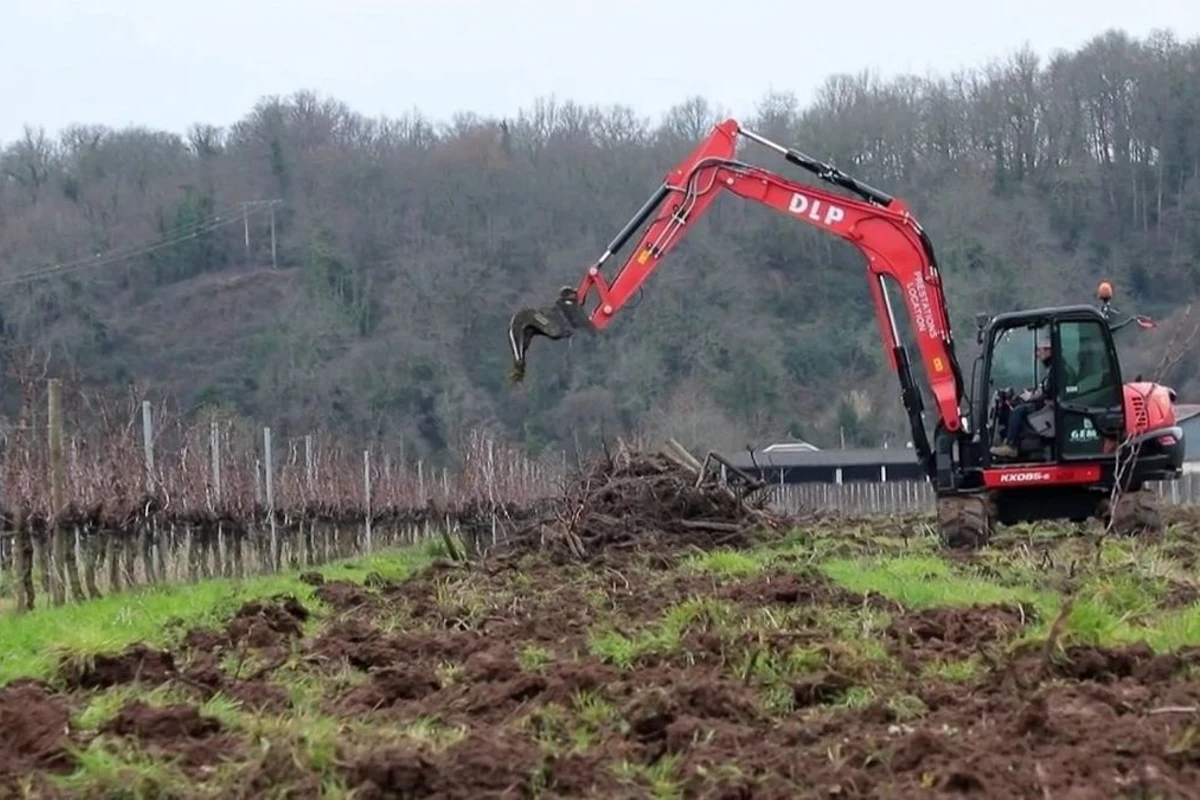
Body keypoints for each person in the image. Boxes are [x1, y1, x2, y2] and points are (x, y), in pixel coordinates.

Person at [990, 329, 1057, 459]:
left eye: (1040, 350)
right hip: (1045, 403)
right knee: (1015, 404)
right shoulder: (1052, 369)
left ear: (1049, 350)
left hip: (1050, 406)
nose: (1037, 354)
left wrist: (1032, 396)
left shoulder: (1057, 370)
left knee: (1018, 411)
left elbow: (1048, 391)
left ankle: (1011, 446)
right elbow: (1044, 388)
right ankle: (1007, 439)